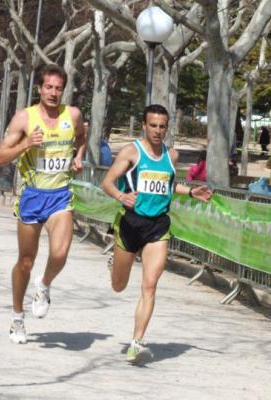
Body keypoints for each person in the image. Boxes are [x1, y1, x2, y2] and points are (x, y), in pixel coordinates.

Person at [101, 104, 212, 363]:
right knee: (119, 286)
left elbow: (169, 185)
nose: (158, 131)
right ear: (144, 125)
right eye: (153, 125)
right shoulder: (131, 152)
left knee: (149, 286)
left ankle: (137, 342)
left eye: (162, 126)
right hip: (130, 223)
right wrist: (121, 195)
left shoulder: (170, 155)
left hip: (158, 226)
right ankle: (115, 264)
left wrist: (191, 192)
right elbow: (106, 182)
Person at [0, 64, 86, 344]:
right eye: (49, 87)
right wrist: (26, 145)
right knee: (25, 261)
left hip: (60, 194)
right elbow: (0, 156)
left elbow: (81, 137)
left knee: (60, 254)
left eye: (58, 88)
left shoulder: (72, 115)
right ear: (39, 89)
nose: (53, 93)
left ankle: (44, 285)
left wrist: (78, 157)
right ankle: (17, 318)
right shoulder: (25, 118)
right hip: (33, 196)